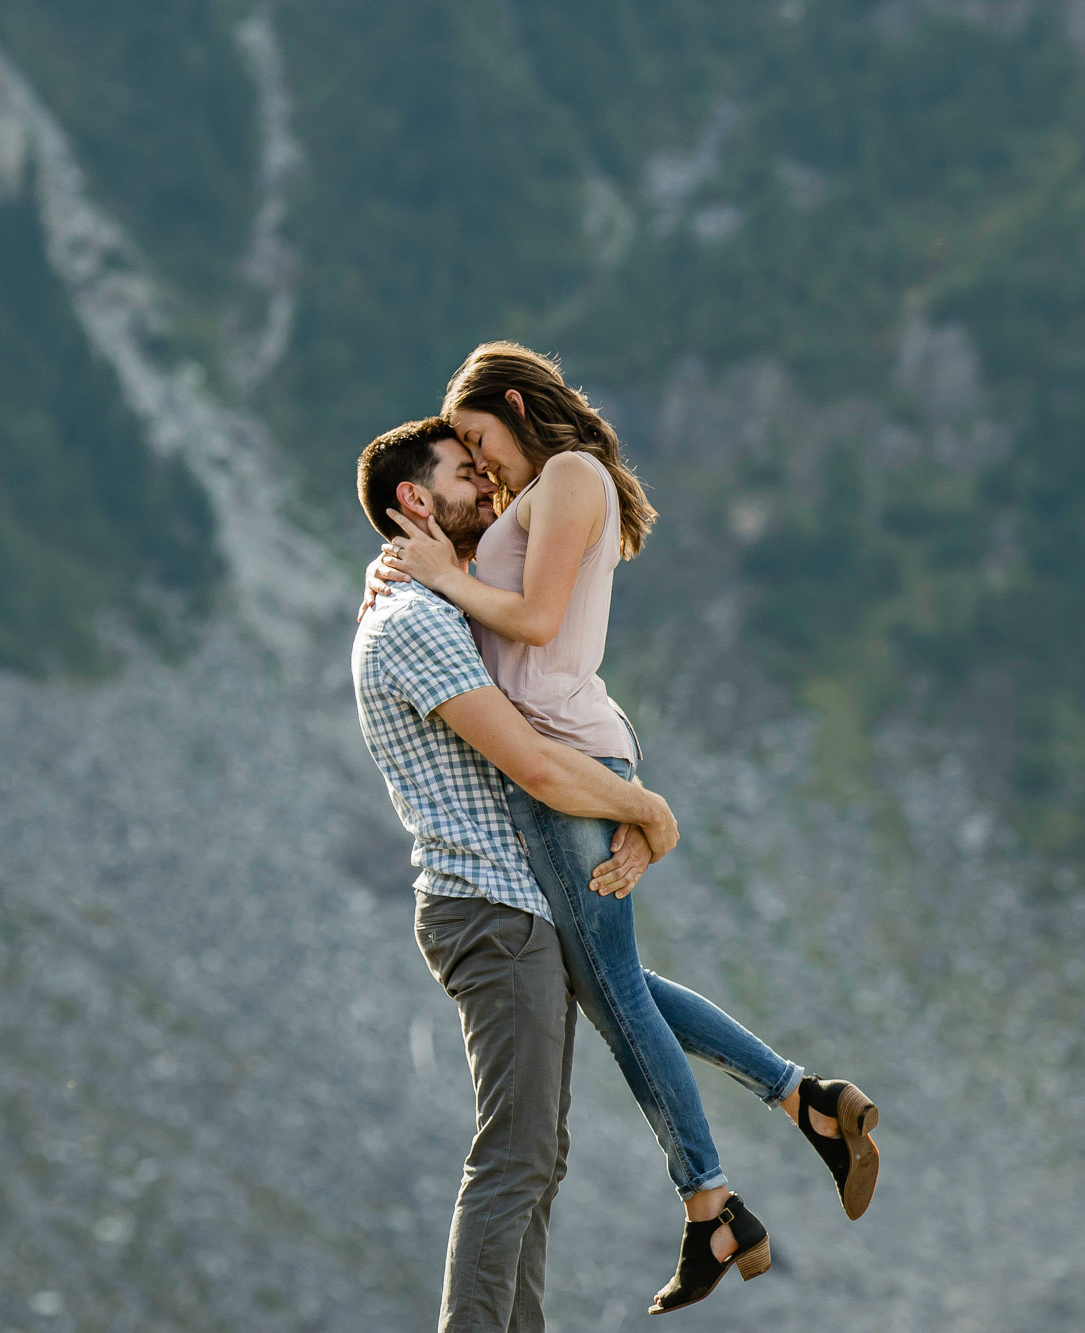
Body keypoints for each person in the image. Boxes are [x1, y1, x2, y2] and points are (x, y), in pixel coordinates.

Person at [375, 343, 880, 1315]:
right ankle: (804, 1102)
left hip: (569, 767)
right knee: (614, 983)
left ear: (519, 406)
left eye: (482, 442)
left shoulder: (568, 474)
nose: (481, 467)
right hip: (567, 768)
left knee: (610, 988)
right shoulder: (539, 492)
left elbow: (532, 617)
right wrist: (409, 576)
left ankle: (713, 1203)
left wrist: (445, 574)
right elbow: (486, 596)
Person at [351, 416, 680, 1332]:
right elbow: (531, 762)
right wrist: (644, 810)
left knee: (537, 1153)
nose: (488, 485)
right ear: (413, 501)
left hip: (506, 905)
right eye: (465, 473)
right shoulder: (416, 621)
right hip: (487, 906)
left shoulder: (431, 602)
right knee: (515, 1156)